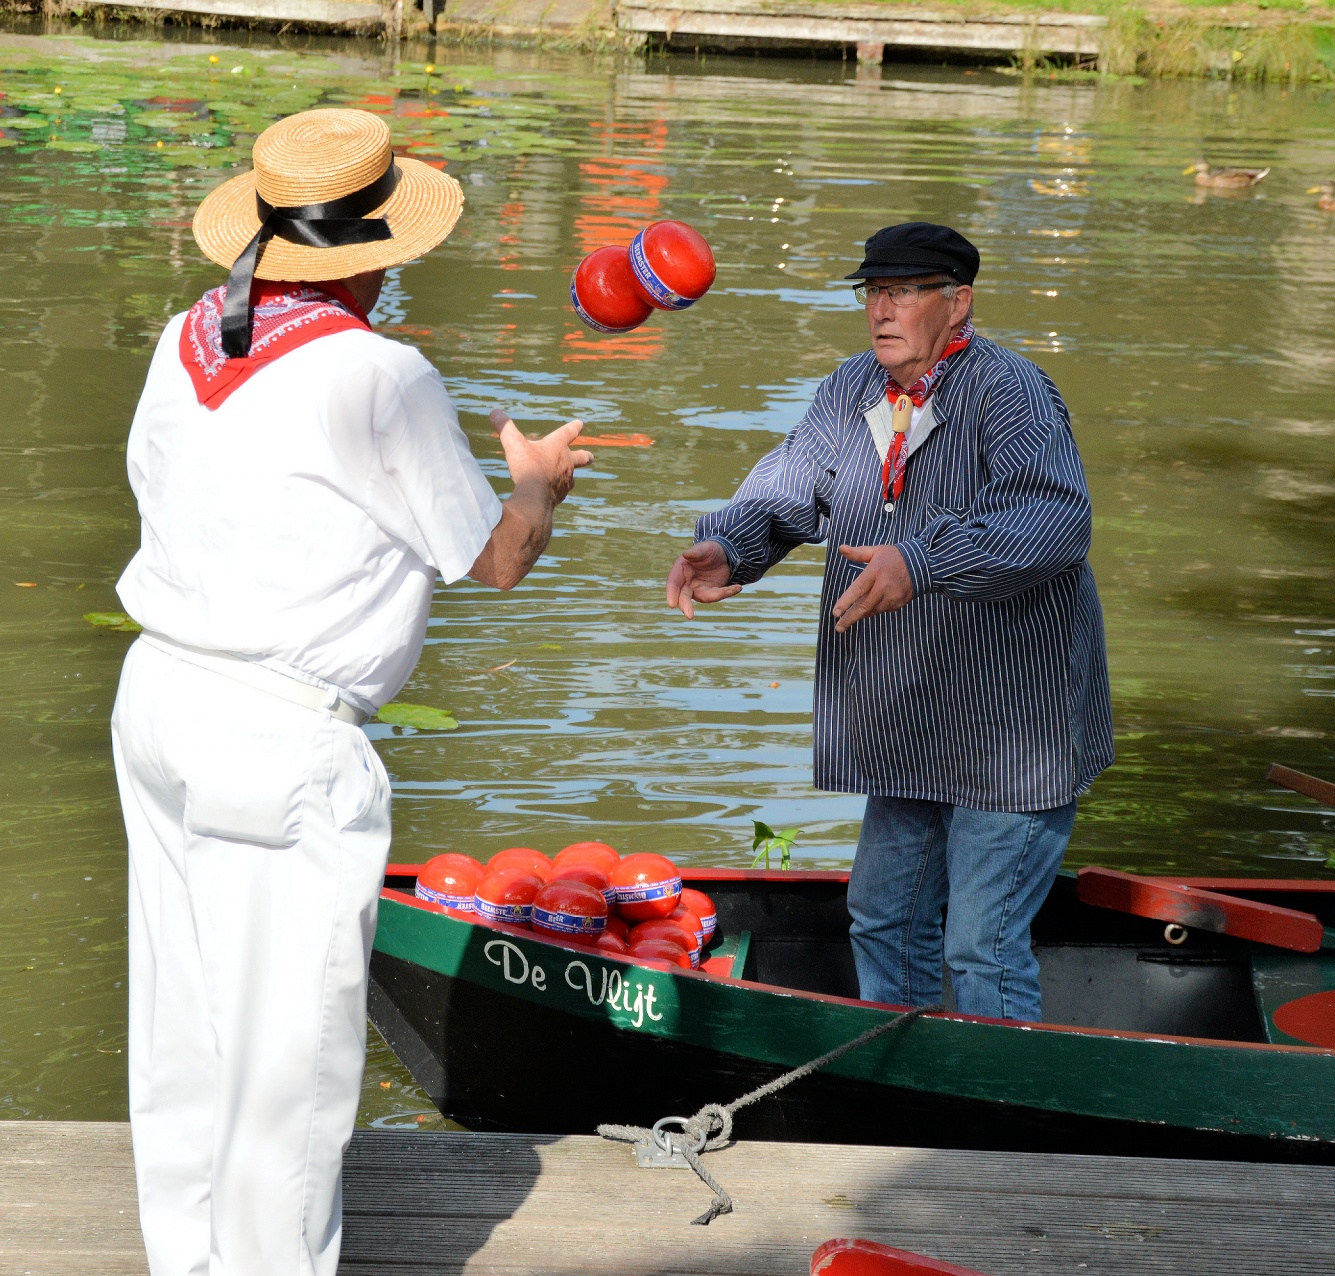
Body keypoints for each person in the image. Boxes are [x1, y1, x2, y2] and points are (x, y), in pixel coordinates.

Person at [110, 109, 590, 1276]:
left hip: (161, 696)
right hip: (279, 735)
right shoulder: (379, 373)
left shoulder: (186, 338)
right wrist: (536, 485)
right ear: (372, 253)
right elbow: (493, 556)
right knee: (287, 1057)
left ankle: (189, 1261)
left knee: (184, 1024)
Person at [666, 222, 1112, 1022]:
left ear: (958, 303)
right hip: (905, 721)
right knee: (882, 918)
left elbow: (1055, 522)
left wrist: (922, 561)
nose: (882, 310)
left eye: (905, 292)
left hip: (1012, 730)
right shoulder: (849, 391)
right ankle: (903, 1098)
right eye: (873, 292)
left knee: (982, 943)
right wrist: (730, 547)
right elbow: (787, 486)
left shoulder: (1010, 391)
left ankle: (990, 1131)